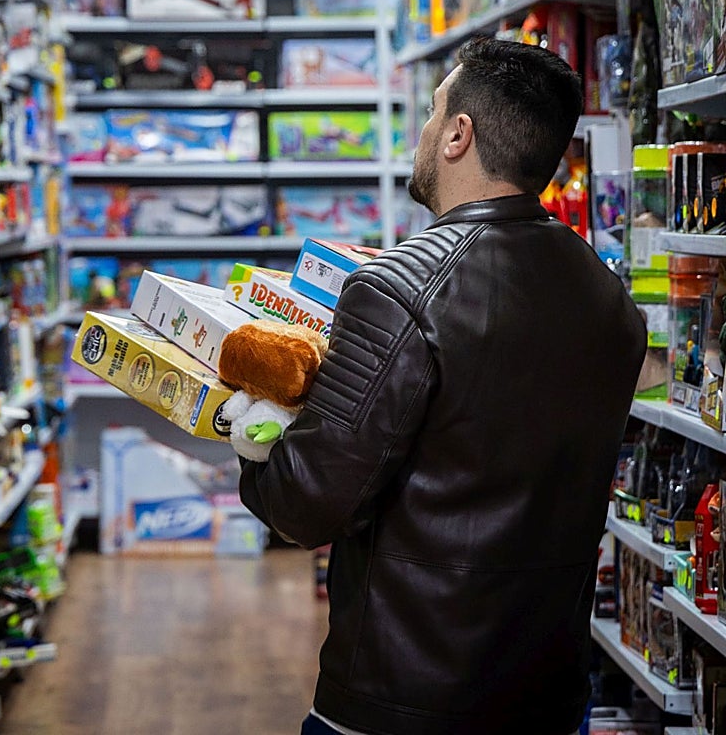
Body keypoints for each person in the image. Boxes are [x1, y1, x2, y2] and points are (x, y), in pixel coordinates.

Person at [236, 36, 647, 735]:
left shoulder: (400, 287)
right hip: (547, 699)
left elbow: (303, 505)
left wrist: (245, 424)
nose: (421, 132)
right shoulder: (609, 300)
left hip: (398, 701)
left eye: (431, 113)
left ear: (459, 134)